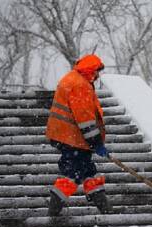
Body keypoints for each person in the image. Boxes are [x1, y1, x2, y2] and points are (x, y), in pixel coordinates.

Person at [46, 54, 111, 216]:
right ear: (91, 69)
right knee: (71, 174)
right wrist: (96, 143)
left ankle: (106, 209)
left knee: (89, 172)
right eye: (97, 72)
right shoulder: (80, 85)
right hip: (72, 139)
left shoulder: (73, 79)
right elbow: (85, 119)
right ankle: (53, 212)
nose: (97, 76)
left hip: (68, 137)